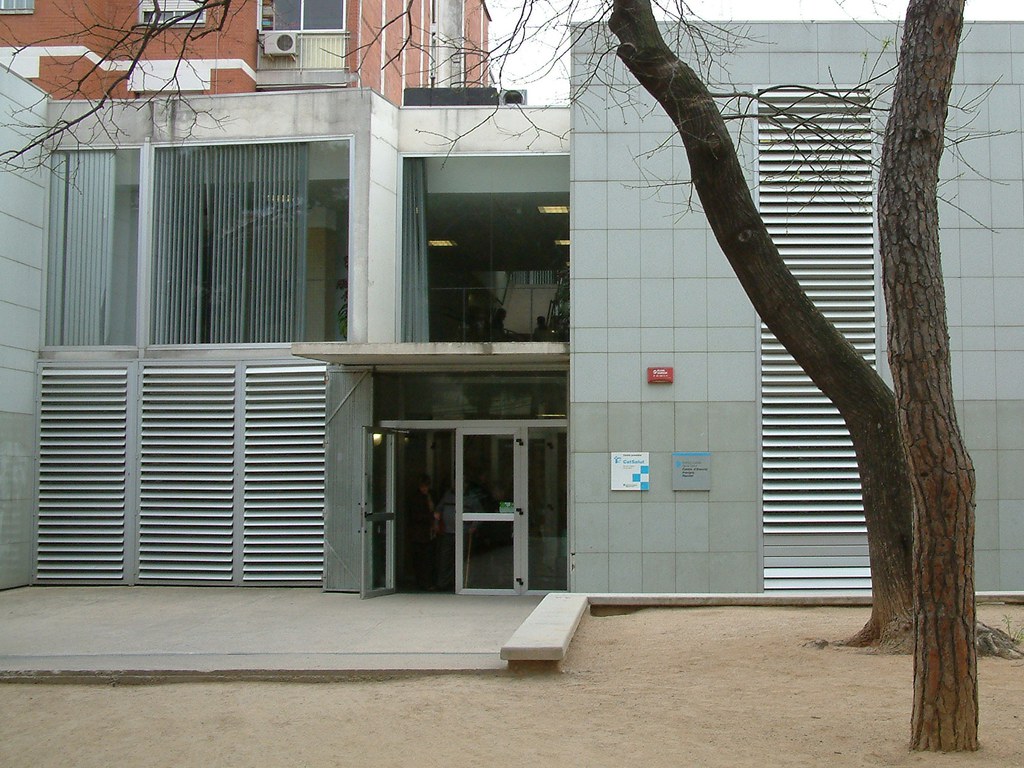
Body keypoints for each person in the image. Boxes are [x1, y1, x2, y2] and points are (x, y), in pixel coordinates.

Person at [409, 474, 438, 590]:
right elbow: (415, 516)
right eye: (423, 486)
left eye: (426, 486)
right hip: (419, 533)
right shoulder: (415, 498)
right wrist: (431, 516)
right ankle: (422, 582)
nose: (425, 489)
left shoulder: (432, 495)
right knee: (420, 559)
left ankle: (428, 582)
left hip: (429, 532)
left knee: (429, 559)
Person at [434, 486, 457, 591]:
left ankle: (459, 583)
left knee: (460, 559)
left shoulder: (470, 497)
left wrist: (473, 526)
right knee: (445, 559)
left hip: (462, 533)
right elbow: (438, 511)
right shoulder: (447, 495)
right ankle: (443, 583)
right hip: (447, 533)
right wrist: (436, 523)